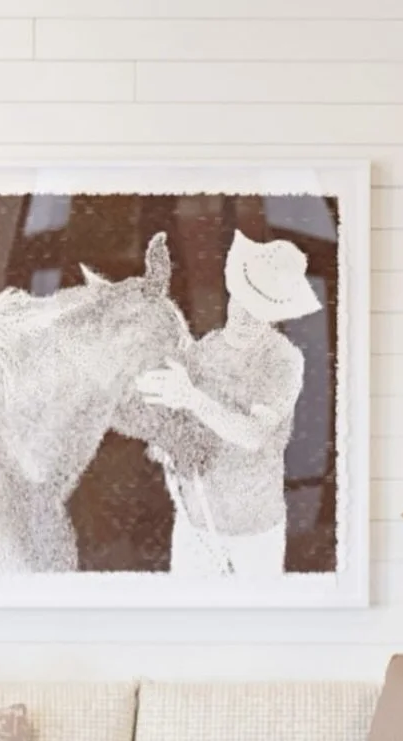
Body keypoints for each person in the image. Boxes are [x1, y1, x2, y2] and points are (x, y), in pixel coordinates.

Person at [136, 228, 321, 577]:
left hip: (254, 533)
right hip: (196, 526)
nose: (246, 315)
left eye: (260, 309)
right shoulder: (204, 349)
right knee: (191, 625)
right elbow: (176, 423)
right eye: (243, 300)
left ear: (277, 313)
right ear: (232, 292)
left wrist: (191, 397)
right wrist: (164, 442)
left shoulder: (282, 360)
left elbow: (253, 436)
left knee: (254, 627)